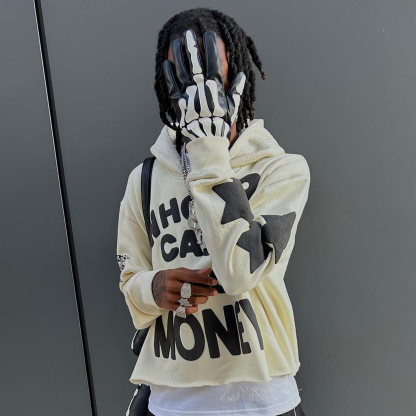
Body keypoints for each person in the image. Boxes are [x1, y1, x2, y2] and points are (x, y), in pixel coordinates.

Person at [117, 7, 310, 416]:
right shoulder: (144, 179)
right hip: (172, 402)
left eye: (210, 68)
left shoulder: (282, 170)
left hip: (263, 401)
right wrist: (154, 288)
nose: (196, 86)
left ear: (237, 75)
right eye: (182, 72)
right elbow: (130, 281)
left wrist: (208, 150)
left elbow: (239, 272)